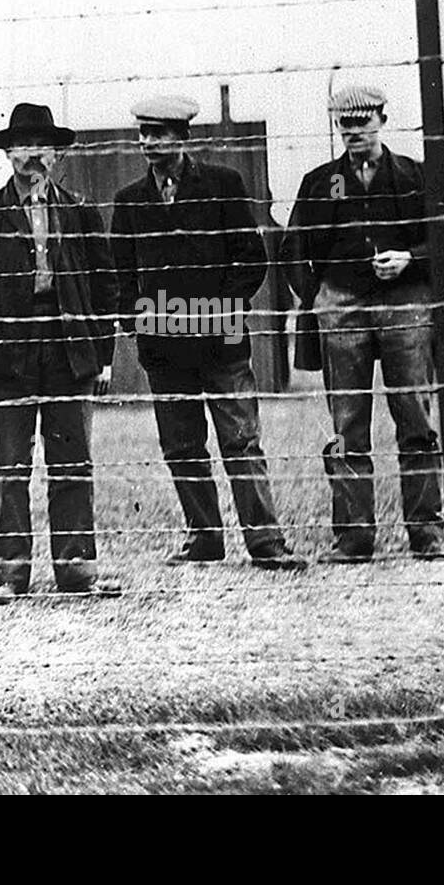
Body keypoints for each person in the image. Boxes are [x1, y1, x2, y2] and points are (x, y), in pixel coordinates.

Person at [282, 85, 444, 563]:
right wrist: (319, 297)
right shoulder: (318, 182)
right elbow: (292, 249)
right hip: (341, 308)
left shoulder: (415, 175)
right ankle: (354, 538)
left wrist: (411, 258)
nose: (353, 133)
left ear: (383, 121)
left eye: (362, 123)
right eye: (344, 125)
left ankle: (427, 534)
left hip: (406, 307)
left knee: (415, 418)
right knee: (347, 424)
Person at [110, 95, 303, 568]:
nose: (150, 143)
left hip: (222, 345)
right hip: (164, 349)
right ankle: (204, 538)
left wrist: (217, 310)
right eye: (144, 134)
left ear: (182, 138)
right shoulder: (130, 201)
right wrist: (140, 320)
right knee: (181, 446)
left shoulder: (223, 185)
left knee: (240, 439)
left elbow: (250, 259)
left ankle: (265, 542)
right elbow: (120, 274)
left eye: (160, 134)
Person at [0, 102, 122, 603]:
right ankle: (9, 572)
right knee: (10, 467)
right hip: (6, 360)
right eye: (23, 146)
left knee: (72, 462)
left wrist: (102, 356)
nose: (33, 156)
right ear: (8, 154)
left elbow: (104, 287)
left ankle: (76, 569)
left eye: (42, 146)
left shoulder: (82, 212)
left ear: (57, 154)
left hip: (69, 356)